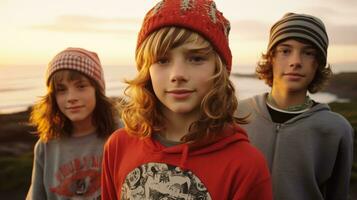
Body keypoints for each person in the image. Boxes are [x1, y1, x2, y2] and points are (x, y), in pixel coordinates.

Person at [101, 0, 273, 199]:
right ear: (146, 70)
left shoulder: (245, 165)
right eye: (162, 60)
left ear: (220, 69)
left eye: (196, 58)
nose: (178, 74)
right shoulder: (118, 146)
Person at [236, 13, 354, 200]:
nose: (296, 62)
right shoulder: (236, 116)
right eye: (285, 51)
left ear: (318, 64)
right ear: (271, 58)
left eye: (308, 53)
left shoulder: (336, 129)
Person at [26, 47, 118, 199]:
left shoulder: (121, 134)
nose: (71, 97)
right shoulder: (46, 146)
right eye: (61, 90)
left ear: (97, 90)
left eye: (81, 86)